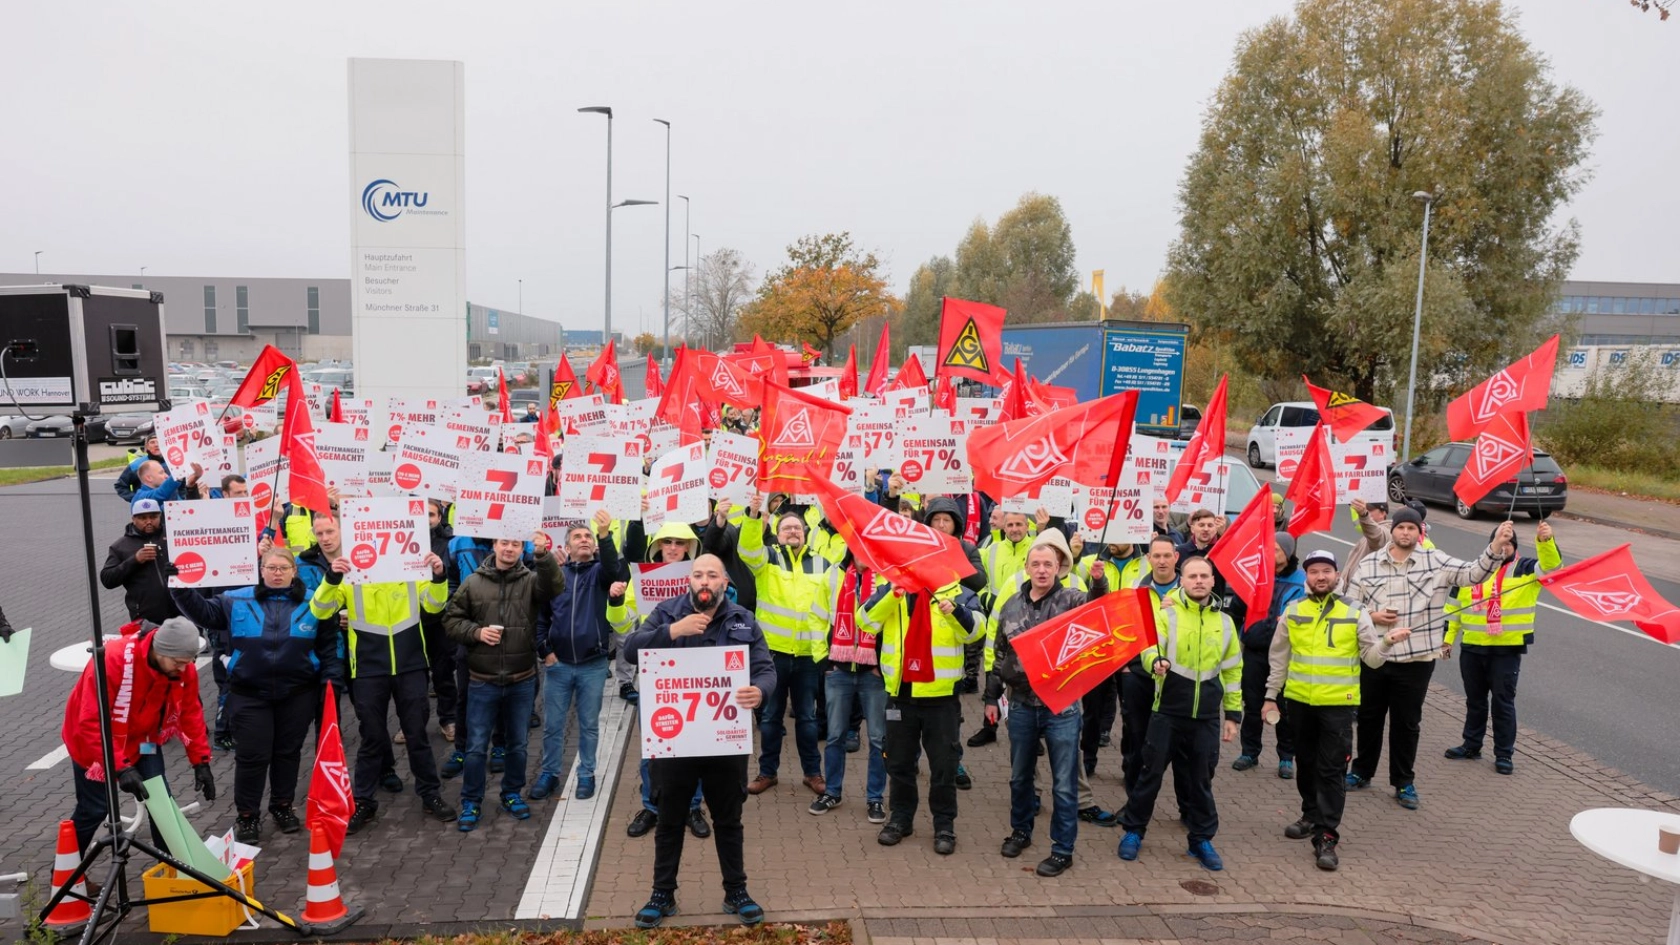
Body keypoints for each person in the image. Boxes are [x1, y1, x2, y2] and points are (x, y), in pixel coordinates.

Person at [623, 554, 774, 930]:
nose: (704, 580)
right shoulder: (666, 613)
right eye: (698, 574)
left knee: (728, 819)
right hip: (676, 740)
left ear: (724, 581)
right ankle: (662, 894)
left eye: (712, 574)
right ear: (689, 580)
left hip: (724, 740)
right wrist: (673, 632)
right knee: (670, 818)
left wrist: (760, 691)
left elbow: (765, 667)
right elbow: (630, 649)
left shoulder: (743, 619)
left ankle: (735, 891)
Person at [172, 547, 343, 844]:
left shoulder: (315, 601)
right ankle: (247, 815)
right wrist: (179, 587)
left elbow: (328, 646)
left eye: (283, 568)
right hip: (249, 693)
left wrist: (331, 681)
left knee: (287, 754)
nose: (277, 573)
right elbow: (203, 612)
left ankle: (282, 806)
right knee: (252, 756)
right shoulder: (235, 598)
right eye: (271, 567)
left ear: (294, 571)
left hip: (298, 692)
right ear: (261, 570)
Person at [1344, 509, 1509, 810]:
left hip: (1416, 660)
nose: (1405, 533)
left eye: (1411, 528)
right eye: (1400, 527)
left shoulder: (1437, 562)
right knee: (1369, 718)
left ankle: (1403, 782)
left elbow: (1474, 574)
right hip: (1375, 657)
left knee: (1407, 723)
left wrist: (1496, 545)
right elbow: (1350, 606)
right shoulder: (1369, 565)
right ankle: (1361, 771)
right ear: (1392, 531)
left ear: (1419, 532)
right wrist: (1372, 615)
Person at [1262, 549, 1402, 871]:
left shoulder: (1356, 611)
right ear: (1307, 577)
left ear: (1337, 575)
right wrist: (1271, 696)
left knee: (1331, 771)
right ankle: (1310, 815)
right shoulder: (1293, 610)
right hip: (1298, 702)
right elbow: (1279, 658)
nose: (1321, 576)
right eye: (1314, 572)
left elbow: (1371, 659)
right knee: (1306, 764)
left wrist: (1387, 643)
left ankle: (1327, 836)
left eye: (1327, 570)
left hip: (1338, 706)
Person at [310, 537, 456, 830]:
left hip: (411, 664)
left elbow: (434, 606)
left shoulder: (412, 570)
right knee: (372, 737)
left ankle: (430, 794)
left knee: (417, 735)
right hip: (367, 668)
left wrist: (439, 576)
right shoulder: (351, 574)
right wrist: (331, 576)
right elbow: (320, 610)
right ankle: (363, 801)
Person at [987, 530, 1107, 878]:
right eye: (1036, 564)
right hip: (1022, 706)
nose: (1042, 570)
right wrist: (991, 696)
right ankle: (1021, 831)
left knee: (1064, 783)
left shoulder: (1072, 599)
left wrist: (1098, 584)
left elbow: (1097, 613)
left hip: (1062, 708)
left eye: (1048, 565)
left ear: (1059, 568)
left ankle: (1062, 850)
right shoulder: (1011, 606)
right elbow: (999, 655)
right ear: (1026, 567)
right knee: (1020, 777)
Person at [1116, 556, 1242, 872]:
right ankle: (1133, 831)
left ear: (1213, 581)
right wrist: (1154, 661)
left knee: (1200, 781)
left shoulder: (1225, 623)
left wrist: (1233, 714)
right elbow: (1149, 647)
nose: (1198, 581)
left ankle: (1200, 839)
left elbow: (1233, 670)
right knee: (1149, 774)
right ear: (1181, 581)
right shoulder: (1167, 613)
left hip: (1206, 717)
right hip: (1168, 711)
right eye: (1192, 576)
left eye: (1204, 576)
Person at [61, 617, 214, 855]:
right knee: (94, 808)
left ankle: (172, 865)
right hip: (91, 742)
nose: (184, 668)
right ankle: (67, 875)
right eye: (178, 662)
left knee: (161, 801)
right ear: (159, 650)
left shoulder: (181, 666)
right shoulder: (112, 660)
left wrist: (201, 761)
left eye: (189, 662)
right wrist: (121, 768)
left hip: (144, 741)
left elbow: (191, 711)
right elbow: (92, 722)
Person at [443, 531, 560, 831]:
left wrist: (544, 556)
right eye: (504, 542)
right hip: (483, 680)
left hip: (522, 679)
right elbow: (451, 620)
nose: (509, 548)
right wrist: (477, 633)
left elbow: (554, 586)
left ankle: (511, 793)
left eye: (516, 544)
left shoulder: (531, 580)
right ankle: (471, 800)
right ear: (494, 546)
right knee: (476, 746)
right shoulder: (473, 583)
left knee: (518, 744)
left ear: (523, 549)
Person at [859, 573, 983, 856]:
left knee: (944, 766)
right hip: (901, 695)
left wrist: (957, 611)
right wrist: (892, 593)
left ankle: (944, 825)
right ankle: (901, 819)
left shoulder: (958, 591)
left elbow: (976, 631)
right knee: (899, 763)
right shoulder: (892, 586)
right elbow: (864, 621)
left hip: (941, 698)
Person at [611, 521, 712, 839]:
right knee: (654, 747)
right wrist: (614, 602)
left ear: (689, 548)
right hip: (656, 673)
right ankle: (652, 806)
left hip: (694, 673)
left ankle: (693, 806)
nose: (672, 547)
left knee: (694, 746)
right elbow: (624, 624)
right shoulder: (640, 579)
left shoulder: (701, 580)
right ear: (657, 546)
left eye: (679, 542)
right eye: (666, 541)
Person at [737, 496, 841, 796]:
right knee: (769, 718)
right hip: (772, 655)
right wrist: (754, 514)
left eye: (797, 528)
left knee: (807, 718)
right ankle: (767, 773)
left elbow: (833, 603)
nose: (793, 532)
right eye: (786, 528)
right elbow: (747, 548)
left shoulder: (823, 564)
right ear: (778, 533)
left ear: (805, 533)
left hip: (808, 655)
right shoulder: (767, 558)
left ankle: (812, 773)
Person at [1442, 520, 1560, 776]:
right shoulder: (1475, 570)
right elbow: (1453, 609)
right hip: (1472, 648)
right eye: (1500, 542)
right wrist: (1448, 638)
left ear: (1515, 546)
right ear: (1492, 545)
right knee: (1475, 702)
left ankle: (1504, 753)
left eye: (1509, 543)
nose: (1504, 547)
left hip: (1506, 650)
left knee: (1503, 703)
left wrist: (1545, 541)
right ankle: (1471, 745)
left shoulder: (1526, 568)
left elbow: (1551, 567)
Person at [532, 510, 623, 802]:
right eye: (577, 537)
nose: (584, 540)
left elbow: (613, 569)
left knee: (589, 725)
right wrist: (544, 651)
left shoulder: (599, 572)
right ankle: (550, 773)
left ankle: (587, 774)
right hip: (557, 665)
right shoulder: (555, 576)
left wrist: (605, 534)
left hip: (592, 665)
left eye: (588, 536)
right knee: (553, 725)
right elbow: (541, 617)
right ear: (567, 547)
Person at [809, 556, 890, 824]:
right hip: (839, 670)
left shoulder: (887, 576)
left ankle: (875, 797)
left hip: (873, 674)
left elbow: (893, 624)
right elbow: (817, 616)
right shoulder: (834, 575)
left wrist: (882, 662)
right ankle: (832, 792)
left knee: (878, 739)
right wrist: (824, 661)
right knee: (834, 736)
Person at [1232, 531, 1306, 778]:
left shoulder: (1301, 580)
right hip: (1254, 650)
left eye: (1276, 549)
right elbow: (1236, 610)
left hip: (1286, 654)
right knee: (1252, 705)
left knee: (1284, 708)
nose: (1270, 553)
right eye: (1268, 548)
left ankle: (1286, 757)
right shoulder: (1255, 576)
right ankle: (1249, 752)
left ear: (1288, 553)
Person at [968, 511, 1036, 748]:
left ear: (1028, 526)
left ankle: (1032, 735)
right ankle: (990, 727)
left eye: (1019, 524)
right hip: (997, 620)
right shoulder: (992, 550)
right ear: (1003, 527)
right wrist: (988, 600)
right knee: (993, 672)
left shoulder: (1036, 548)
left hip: (1028, 622)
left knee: (1027, 677)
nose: (1015, 528)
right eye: (1010, 525)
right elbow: (979, 582)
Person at [1120, 535, 1181, 794]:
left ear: (1176, 557)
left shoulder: (1189, 589)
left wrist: (1179, 607)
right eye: (1156, 556)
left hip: (1177, 677)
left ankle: (1188, 808)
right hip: (1139, 674)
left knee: (1179, 746)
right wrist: (1125, 666)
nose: (1162, 561)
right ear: (1148, 559)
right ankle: (1133, 800)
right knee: (1137, 737)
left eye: (1167, 555)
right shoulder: (1136, 589)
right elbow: (1124, 628)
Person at [921, 496, 988, 693]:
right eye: (937, 519)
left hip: (959, 612)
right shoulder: (920, 548)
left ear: (955, 524)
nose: (941, 525)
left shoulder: (967, 549)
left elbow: (979, 581)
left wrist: (954, 558)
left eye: (947, 520)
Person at [100, 498, 181, 625]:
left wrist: (178, 569)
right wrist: (134, 560)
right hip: (146, 618)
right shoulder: (120, 546)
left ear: (160, 516)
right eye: (143, 518)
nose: (148, 521)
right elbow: (107, 579)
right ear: (133, 519)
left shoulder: (174, 536)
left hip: (182, 611)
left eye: (153, 517)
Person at [422, 500, 459, 744]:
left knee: (443, 671)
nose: (427, 520)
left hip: (440, 616)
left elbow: (455, 577)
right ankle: (412, 723)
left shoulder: (449, 542)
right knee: (414, 677)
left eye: (432, 515)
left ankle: (448, 719)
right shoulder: (399, 541)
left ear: (440, 517)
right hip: (410, 616)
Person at [1337, 499, 1390, 593]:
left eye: (1369, 509)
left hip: (1362, 593)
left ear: (1383, 513)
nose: (1365, 511)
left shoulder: (1386, 531)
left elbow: (1376, 535)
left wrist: (1364, 515)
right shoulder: (1368, 533)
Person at [113, 435, 167, 502]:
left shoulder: (174, 464)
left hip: (172, 508)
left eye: (159, 442)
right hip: (146, 508)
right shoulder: (137, 465)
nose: (156, 445)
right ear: (147, 446)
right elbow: (120, 486)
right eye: (152, 442)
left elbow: (182, 487)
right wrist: (136, 499)